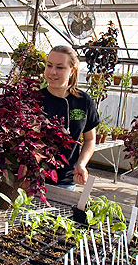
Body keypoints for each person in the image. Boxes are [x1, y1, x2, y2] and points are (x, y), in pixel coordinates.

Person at [40, 45, 100, 191]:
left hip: (66, 182)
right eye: (49, 65)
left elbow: (90, 139)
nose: (52, 72)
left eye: (60, 67)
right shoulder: (35, 100)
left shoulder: (83, 101)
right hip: (34, 181)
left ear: (71, 71)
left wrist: (81, 164)